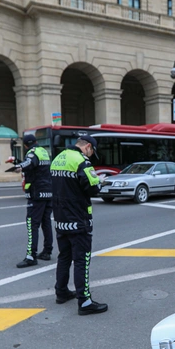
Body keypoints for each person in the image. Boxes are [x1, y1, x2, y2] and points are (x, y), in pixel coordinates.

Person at [50, 135, 108, 315]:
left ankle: (61, 292)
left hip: (60, 218)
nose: (91, 156)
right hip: (78, 218)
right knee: (81, 260)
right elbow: (92, 189)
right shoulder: (81, 161)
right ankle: (84, 302)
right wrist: (100, 181)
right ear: (88, 147)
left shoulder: (58, 158)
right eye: (92, 153)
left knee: (64, 257)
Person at [7, 134, 54, 268]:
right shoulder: (43, 151)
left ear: (26, 145)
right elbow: (35, 165)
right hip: (48, 192)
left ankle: (31, 256)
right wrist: (18, 162)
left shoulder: (32, 152)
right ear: (35, 142)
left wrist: (18, 167)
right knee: (46, 223)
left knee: (32, 224)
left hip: (36, 193)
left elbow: (29, 163)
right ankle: (47, 251)